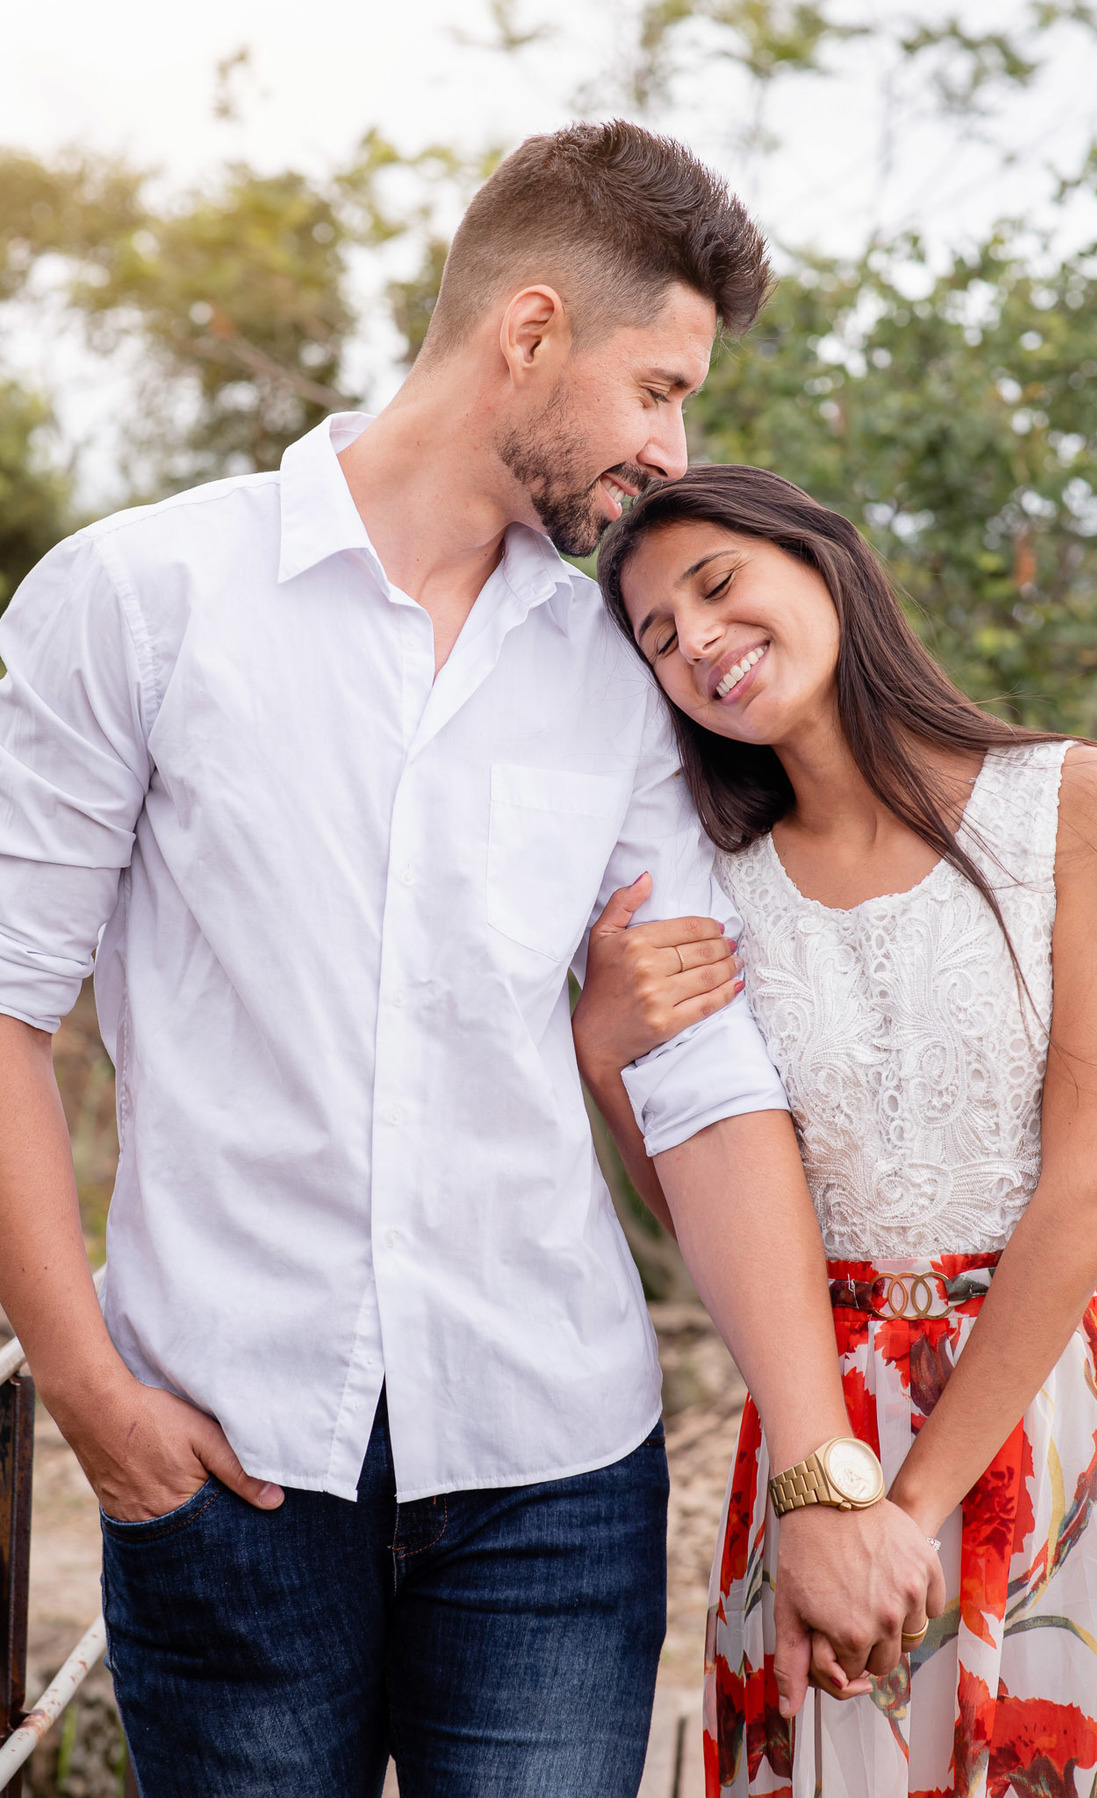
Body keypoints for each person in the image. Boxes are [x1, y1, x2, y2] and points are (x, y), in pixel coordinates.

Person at [0, 129, 940, 1797]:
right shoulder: (140, 598)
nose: (670, 447)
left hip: (553, 1473)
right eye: (656, 387)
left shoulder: (616, 667)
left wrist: (818, 1469)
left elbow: (702, 1065)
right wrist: (85, 1385)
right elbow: (5, 998)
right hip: (220, 1463)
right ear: (528, 334)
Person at [572, 463, 1097, 1795]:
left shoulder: (1082, 808)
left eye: (717, 582)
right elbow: (703, 1203)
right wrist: (601, 1048)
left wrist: (898, 1518)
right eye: (657, 636)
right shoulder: (709, 883)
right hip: (820, 1418)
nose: (697, 642)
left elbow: (1089, 1194)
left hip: (1058, 1401)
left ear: (825, 561)